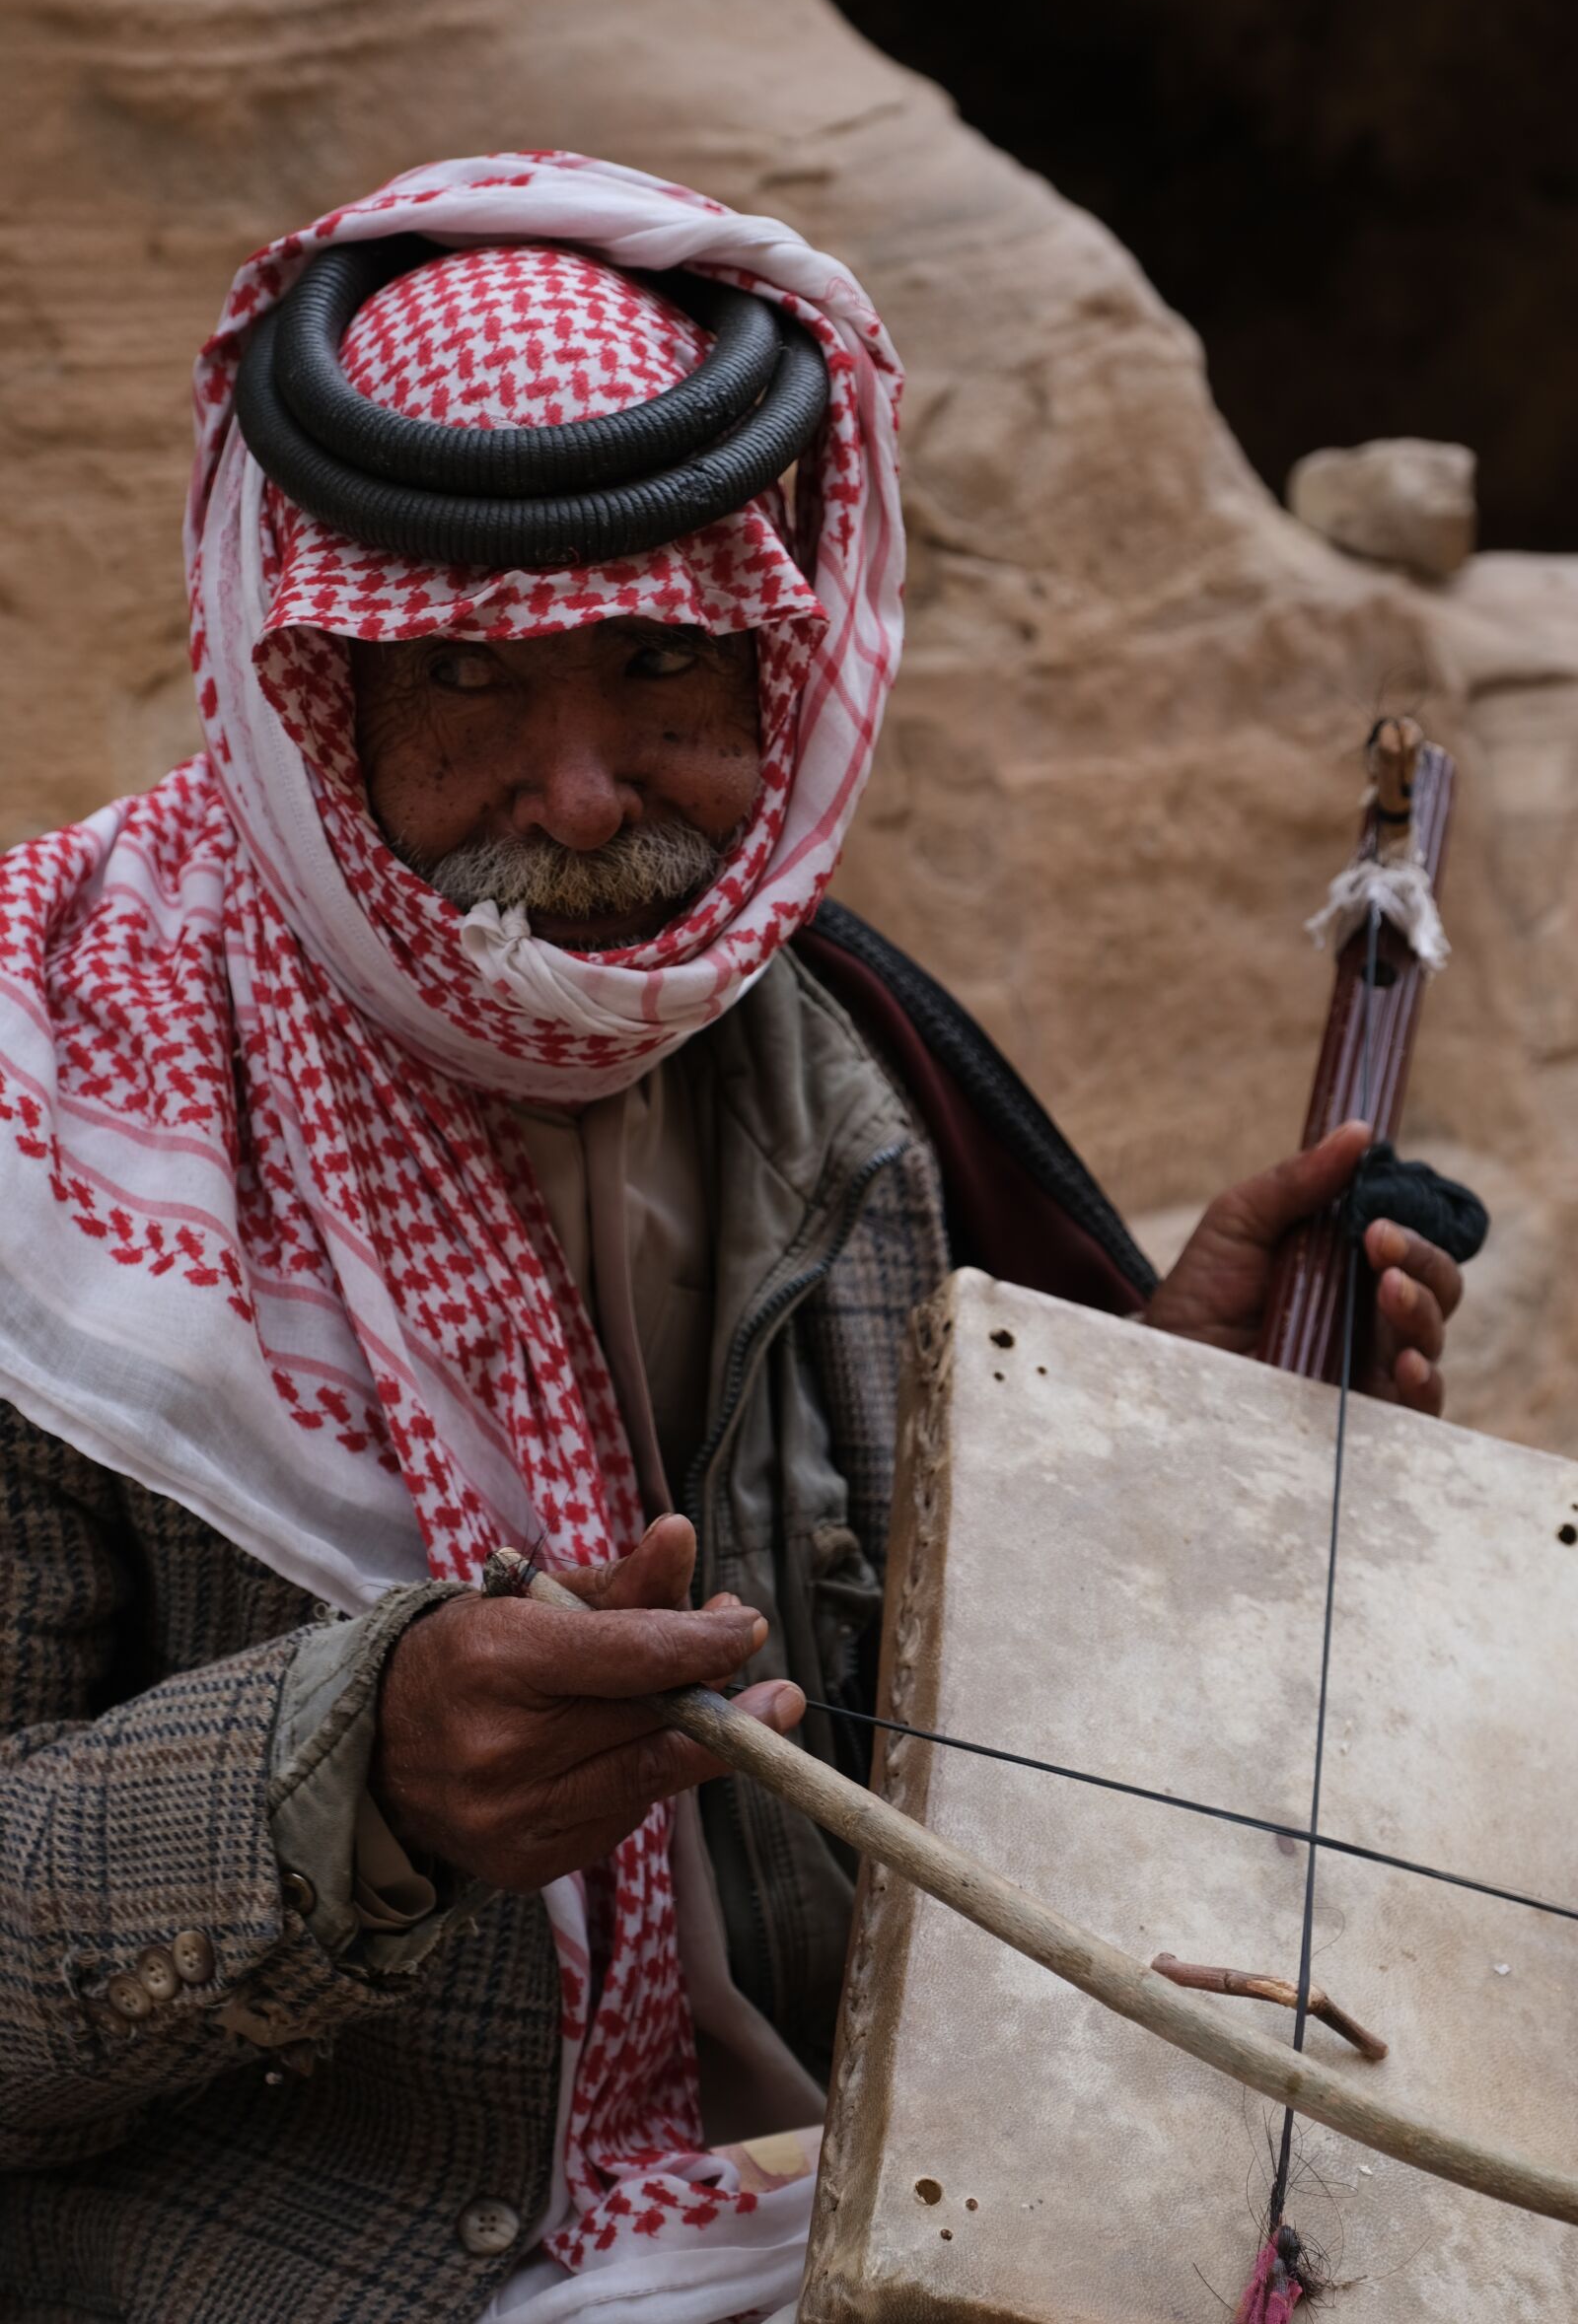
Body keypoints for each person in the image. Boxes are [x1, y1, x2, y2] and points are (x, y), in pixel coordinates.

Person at [0, 154, 1464, 2324]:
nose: (584, 793)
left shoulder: (832, 1066)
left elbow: (971, 1826)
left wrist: (1164, 1440)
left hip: (871, 2216)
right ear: (317, 688)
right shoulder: (57, 1119)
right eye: (469, 688)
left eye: (662, 663)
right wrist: (349, 1783)